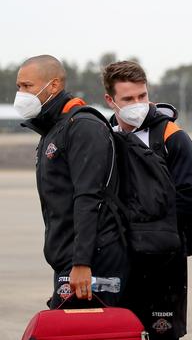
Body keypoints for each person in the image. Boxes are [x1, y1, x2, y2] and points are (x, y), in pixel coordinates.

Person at [103, 60, 192, 339]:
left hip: (164, 262)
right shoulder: (104, 138)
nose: (138, 104)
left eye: (143, 96)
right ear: (110, 100)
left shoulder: (172, 137)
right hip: (118, 261)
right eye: (128, 99)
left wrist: (148, 228)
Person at [17, 55, 128, 309]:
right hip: (69, 259)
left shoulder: (83, 126)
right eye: (19, 87)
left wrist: (82, 262)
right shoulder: (55, 128)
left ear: (53, 86)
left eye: (27, 86)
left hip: (91, 261)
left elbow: (89, 197)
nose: (21, 93)